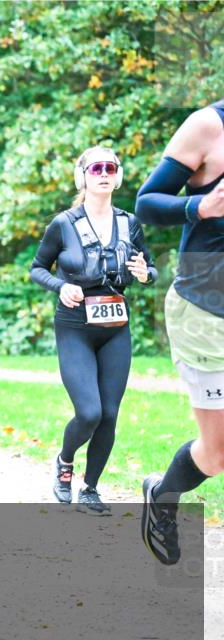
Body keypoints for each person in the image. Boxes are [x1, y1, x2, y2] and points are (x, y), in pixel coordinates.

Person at [30, 146, 157, 514]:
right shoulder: (64, 224)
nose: (103, 173)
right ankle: (65, 462)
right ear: (82, 175)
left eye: (110, 167)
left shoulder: (129, 222)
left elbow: (149, 269)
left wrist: (145, 273)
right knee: (89, 412)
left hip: (116, 327)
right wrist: (60, 286)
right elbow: (38, 268)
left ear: (117, 175)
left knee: (110, 414)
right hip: (75, 327)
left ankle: (91, 487)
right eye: (95, 167)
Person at [137, 99, 224, 565]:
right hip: (205, 313)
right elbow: (146, 205)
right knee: (216, 455)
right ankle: (163, 493)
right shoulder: (208, 127)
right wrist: (199, 206)